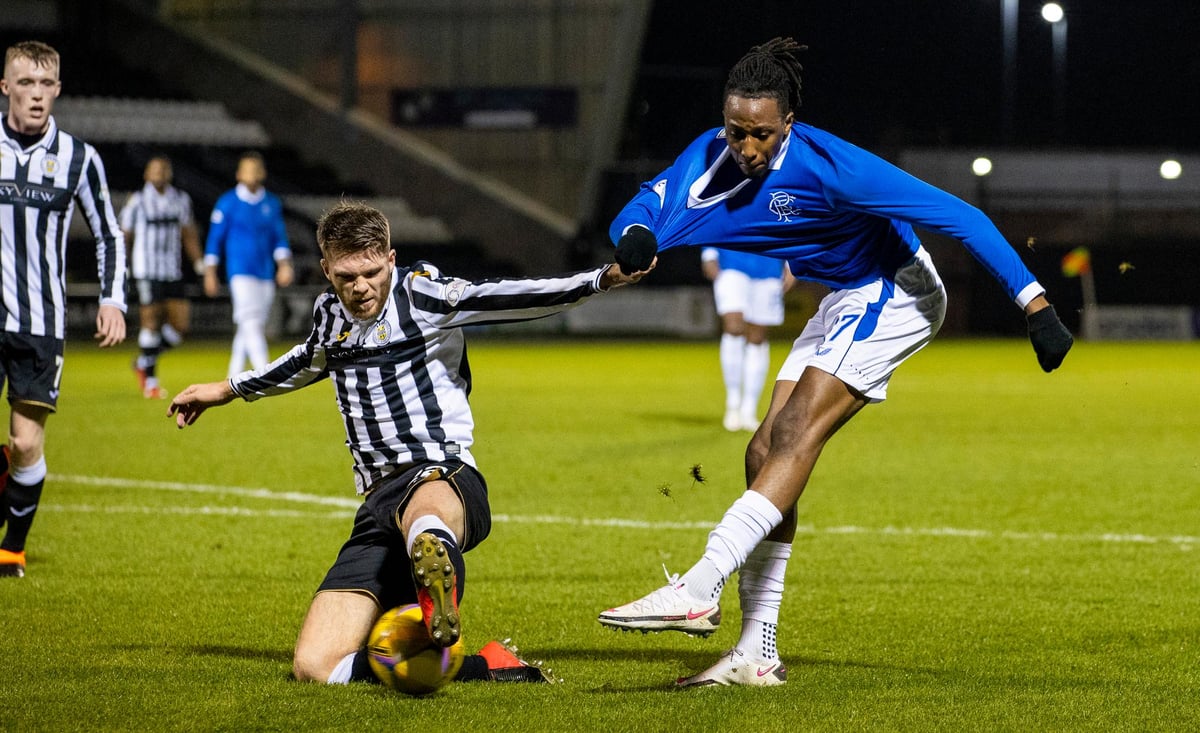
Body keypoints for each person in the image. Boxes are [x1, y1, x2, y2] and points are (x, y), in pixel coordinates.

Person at [597, 38, 1073, 687]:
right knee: (762, 453)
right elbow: (648, 204)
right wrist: (635, 236)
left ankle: (702, 582)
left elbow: (960, 216)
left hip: (896, 290)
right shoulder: (712, 154)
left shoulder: (834, 166)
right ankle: (756, 653)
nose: (747, 147)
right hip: (844, 298)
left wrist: (1035, 305)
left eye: (762, 134)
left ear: (788, 124)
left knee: (796, 434)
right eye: (737, 130)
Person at [168, 201, 653, 686]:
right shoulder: (328, 316)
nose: (359, 287)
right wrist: (225, 391)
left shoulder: (425, 295)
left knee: (424, 517)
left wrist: (602, 278)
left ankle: (429, 554)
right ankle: (489, 666)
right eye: (345, 276)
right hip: (377, 506)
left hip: (444, 474)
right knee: (316, 667)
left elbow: (507, 296)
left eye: (371, 272)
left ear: (392, 259)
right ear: (325, 270)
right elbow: (301, 362)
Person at [0, 40, 128, 578]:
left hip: (40, 323)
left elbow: (109, 234)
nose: (35, 95)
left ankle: (12, 548)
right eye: (24, 83)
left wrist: (112, 299)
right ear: (5, 86)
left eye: (44, 84)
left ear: (57, 90)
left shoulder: (79, 158)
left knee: (25, 443)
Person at [203, 151, 293, 378]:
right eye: (247, 169)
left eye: (255, 169)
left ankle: (232, 376)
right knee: (250, 321)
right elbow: (215, 239)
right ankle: (266, 374)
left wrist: (284, 265)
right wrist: (210, 273)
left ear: (262, 173)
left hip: (265, 272)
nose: (251, 174)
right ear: (238, 174)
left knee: (250, 324)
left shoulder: (271, 203)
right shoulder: (228, 203)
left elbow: (279, 237)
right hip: (239, 270)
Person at [119, 155, 203, 399]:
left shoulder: (180, 200)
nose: (160, 173)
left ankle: (143, 360)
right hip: (146, 269)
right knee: (151, 321)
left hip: (172, 270)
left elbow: (188, 233)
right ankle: (151, 382)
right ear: (146, 174)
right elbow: (125, 234)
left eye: (164, 169)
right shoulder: (137, 201)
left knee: (180, 328)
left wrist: (198, 263)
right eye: (155, 169)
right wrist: (123, 264)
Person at [700, 246, 793, 432]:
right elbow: (715, 217)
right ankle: (733, 403)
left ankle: (748, 410)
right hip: (731, 264)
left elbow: (791, 220)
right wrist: (708, 253)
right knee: (733, 327)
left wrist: (792, 264)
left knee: (757, 337)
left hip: (769, 267)